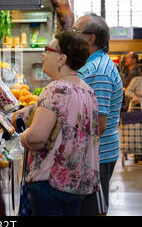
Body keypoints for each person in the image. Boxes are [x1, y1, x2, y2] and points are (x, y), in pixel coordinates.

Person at [12, 31, 99, 216]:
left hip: (52, 183)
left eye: (47, 50)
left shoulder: (55, 89)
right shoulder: (88, 91)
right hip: (78, 183)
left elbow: (37, 138)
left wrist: (21, 135)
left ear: (61, 59)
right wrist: (32, 109)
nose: (43, 55)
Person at [73, 14, 123, 216]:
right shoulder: (91, 65)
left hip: (97, 155)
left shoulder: (99, 71)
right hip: (91, 153)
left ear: (90, 38)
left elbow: (98, 124)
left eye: (76, 31)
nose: (72, 35)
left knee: (93, 210)